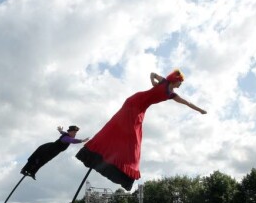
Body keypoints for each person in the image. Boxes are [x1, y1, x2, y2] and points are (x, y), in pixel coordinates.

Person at [75, 70, 206, 191]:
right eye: (180, 82)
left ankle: (121, 166)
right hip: (134, 102)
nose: (180, 85)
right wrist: (153, 83)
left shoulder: (172, 95)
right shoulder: (164, 82)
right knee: (127, 132)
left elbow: (187, 102)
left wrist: (200, 110)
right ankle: (97, 151)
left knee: (134, 139)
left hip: (141, 108)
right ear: (175, 80)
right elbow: (152, 74)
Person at [20, 125, 89, 180]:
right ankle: (24, 170)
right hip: (47, 149)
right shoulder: (66, 138)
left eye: (75, 133)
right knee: (36, 159)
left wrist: (60, 130)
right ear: (70, 132)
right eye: (74, 132)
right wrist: (81, 140)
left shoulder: (65, 134)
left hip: (52, 152)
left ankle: (32, 172)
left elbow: (62, 132)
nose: (75, 134)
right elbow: (72, 140)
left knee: (42, 162)